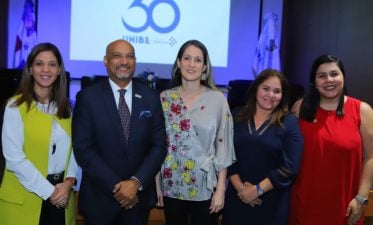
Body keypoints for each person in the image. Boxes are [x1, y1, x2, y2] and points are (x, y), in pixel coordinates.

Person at [72, 39, 167, 225]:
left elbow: (159, 145)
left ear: (135, 61)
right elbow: (83, 148)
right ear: (106, 61)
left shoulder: (151, 97)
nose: (124, 61)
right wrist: (119, 188)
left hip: (137, 200)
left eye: (129, 56)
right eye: (117, 56)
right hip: (99, 199)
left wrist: (135, 183)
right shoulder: (88, 98)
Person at [289, 54, 373, 225]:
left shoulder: (363, 111)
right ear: (314, 82)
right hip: (303, 203)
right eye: (322, 76)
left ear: (343, 77)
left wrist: (361, 198)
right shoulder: (300, 108)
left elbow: (371, 158)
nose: (329, 80)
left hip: (345, 205)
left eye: (334, 74)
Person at [155, 39, 236, 225]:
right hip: (172, 184)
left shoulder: (218, 100)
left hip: (205, 187)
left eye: (198, 60)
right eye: (187, 58)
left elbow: (223, 147)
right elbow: (157, 145)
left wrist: (221, 190)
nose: (192, 64)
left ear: (205, 67)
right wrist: (157, 185)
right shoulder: (164, 98)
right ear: (178, 63)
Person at [0, 42, 78, 225]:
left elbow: (75, 151)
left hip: (62, 197)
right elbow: (14, 159)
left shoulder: (66, 107)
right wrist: (51, 192)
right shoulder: (15, 107)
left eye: (52, 64)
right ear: (30, 69)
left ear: (59, 70)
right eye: (39, 63)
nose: (46, 69)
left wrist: (69, 183)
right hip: (27, 198)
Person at [221, 69, 303, 225]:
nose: (271, 95)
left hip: (272, 202)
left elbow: (290, 167)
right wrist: (241, 190)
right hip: (237, 198)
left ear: (282, 96)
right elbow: (226, 154)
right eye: (266, 88)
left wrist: (257, 190)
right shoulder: (237, 115)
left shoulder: (289, 123)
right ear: (256, 89)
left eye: (277, 91)